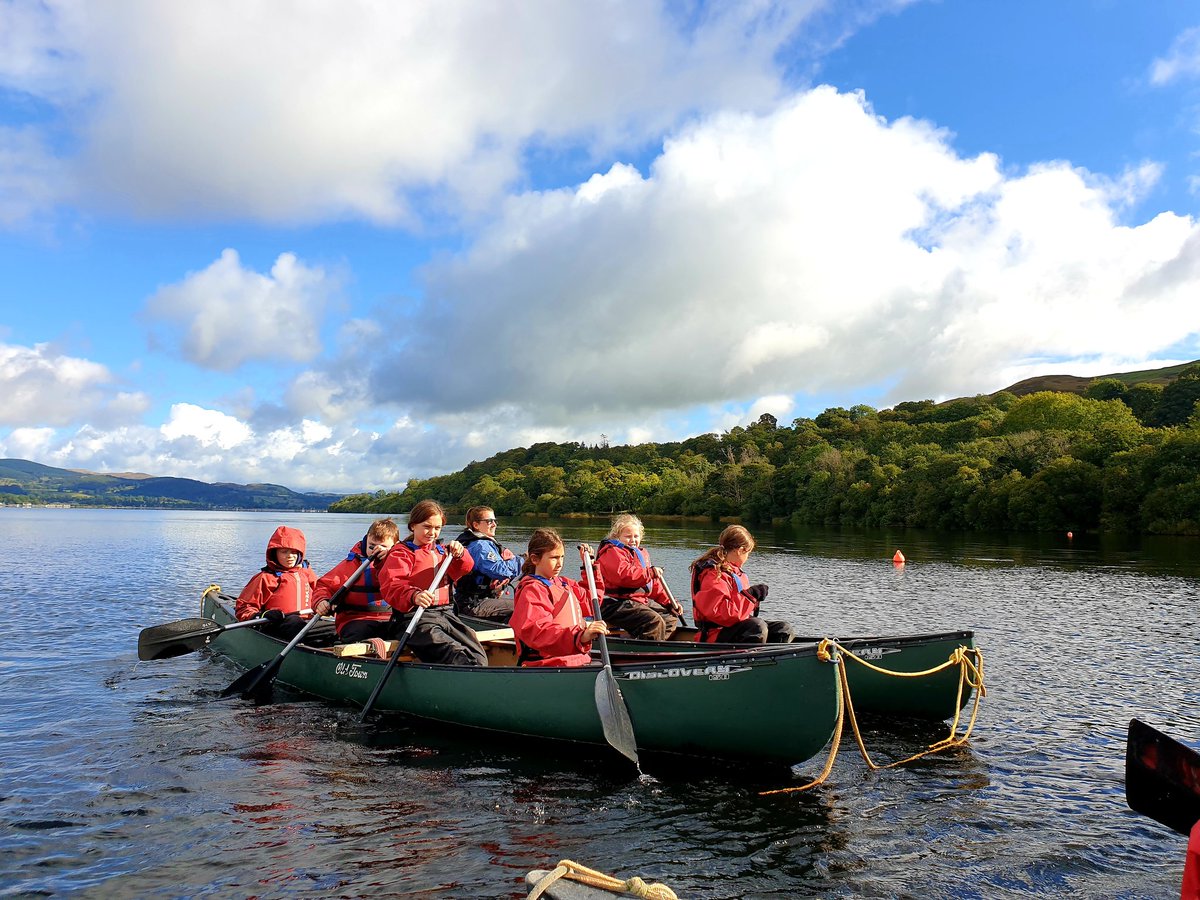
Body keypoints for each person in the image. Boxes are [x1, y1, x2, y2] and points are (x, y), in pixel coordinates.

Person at [378, 500, 488, 666]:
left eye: (437, 528)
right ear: (413, 526)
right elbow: (393, 586)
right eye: (427, 527)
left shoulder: (443, 552)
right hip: (414, 618)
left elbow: (465, 567)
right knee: (457, 655)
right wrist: (414, 595)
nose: (432, 532)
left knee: (479, 657)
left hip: (446, 614)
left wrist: (460, 554)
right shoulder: (401, 553)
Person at [510, 529, 607, 667]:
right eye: (554, 558)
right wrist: (581, 636)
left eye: (562, 557)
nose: (560, 563)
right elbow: (538, 631)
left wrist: (590, 568)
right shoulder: (532, 590)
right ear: (535, 559)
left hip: (576, 658)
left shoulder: (564, 583)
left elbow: (591, 602)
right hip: (548, 663)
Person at [689, 524, 796, 644]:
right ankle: (751, 660)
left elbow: (740, 610)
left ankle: (777, 658)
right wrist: (750, 595)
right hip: (715, 633)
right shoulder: (713, 574)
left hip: (734, 628)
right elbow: (723, 614)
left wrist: (752, 596)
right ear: (739, 551)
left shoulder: (735, 572)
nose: (747, 558)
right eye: (748, 553)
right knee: (756, 627)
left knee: (783, 629)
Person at [235, 524, 336, 646]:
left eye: (294, 552)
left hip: (307, 623)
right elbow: (243, 609)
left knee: (337, 628)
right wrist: (261, 615)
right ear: (274, 553)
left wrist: (326, 604)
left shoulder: (307, 573)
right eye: (284, 552)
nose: (289, 556)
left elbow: (320, 593)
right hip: (278, 625)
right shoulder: (266, 578)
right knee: (295, 623)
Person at [311, 517, 400, 656]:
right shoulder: (350, 565)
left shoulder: (400, 564)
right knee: (361, 633)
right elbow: (324, 586)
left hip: (390, 618)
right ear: (365, 541)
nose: (375, 551)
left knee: (413, 633)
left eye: (383, 547)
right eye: (371, 546)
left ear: (395, 546)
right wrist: (321, 601)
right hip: (356, 619)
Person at [591, 513, 679, 641]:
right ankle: (649, 652)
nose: (633, 540)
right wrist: (650, 573)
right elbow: (624, 576)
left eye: (636, 536)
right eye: (628, 536)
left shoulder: (641, 554)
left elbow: (653, 585)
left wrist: (669, 602)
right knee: (654, 621)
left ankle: (654, 645)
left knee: (670, 617)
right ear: (617, 536)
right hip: (613, 603)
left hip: (636, 601)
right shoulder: (612, 552)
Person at [452, 505, 522, 622]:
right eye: (489, 521)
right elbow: (499, 570)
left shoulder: (478, 542)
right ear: (476, 525)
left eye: (495, 521)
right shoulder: (479, 545)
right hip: (473, 604)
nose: (494, 524)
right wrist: (524, 561)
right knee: (524, 606)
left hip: (472, 600)